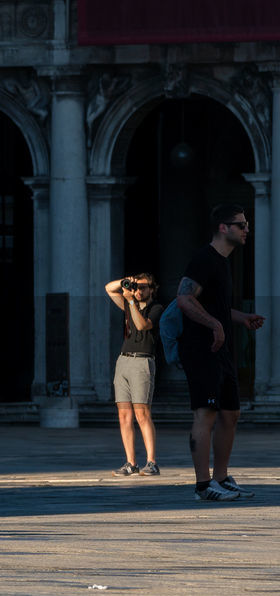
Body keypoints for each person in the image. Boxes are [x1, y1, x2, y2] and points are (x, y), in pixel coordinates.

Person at [176, 203, 266, 502]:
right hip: (201, 349)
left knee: (231, 413)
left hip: (221, 349)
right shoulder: (204, 259)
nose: (247, 229)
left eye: (246, 224)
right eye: (241, 225)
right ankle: (204, 486)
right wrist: (214, 324)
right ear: (223, 228)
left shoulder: (223, 262)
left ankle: (222, 478)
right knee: (207, 413)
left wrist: (240, 319)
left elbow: (215, 306)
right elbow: (184, 299)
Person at [104, 273, 163, 477]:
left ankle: (152, 462)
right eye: (136, 287)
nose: (139, 291)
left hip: (142, 361)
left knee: (142, 413)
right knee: (124, 415)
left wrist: (130, 300)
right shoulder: (130, 305)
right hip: (124, 360)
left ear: (152, 289)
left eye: (144, 287)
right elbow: (108, 289)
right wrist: (125, 283)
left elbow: (142, 325)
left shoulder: (156, 308)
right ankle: (131, 463)